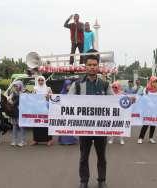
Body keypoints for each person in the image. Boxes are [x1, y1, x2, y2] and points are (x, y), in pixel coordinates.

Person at [68, 49, 113, 188]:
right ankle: (84, 181)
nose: (92, 67)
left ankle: (102, 180)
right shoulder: (77, 84)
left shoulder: (105, 85)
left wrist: (127, 101)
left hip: (101, 128)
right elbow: (66, 101)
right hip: (84, 127)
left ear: (98, 66)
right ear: (85, 66)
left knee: (102, 157)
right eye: (90, 65)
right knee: (83, 157)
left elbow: (115, 102)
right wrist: (53, 100)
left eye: (95, 65)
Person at [31, 76, 54, 146]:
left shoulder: (48, 88)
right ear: (37, 81)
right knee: (36, 123)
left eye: (42, 80)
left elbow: (52, 97)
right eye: (39, 80)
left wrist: (48, 96)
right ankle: (35, 140)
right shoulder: (35, 88)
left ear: (44, 81)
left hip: (46, 108)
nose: (40, 81)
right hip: (37, 108)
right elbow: (32, 98)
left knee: (46, 124)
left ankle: (49, 140)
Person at [137, 76, 157, 144]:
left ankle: (151, 138)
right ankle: (140, 138)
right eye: (154, 81)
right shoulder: (146, 89)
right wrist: (150, 104)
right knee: (146, 123)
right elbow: (144, 98)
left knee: (153, 124)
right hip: (147, 109)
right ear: (151, 82)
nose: (155, 83)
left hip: (155, 109)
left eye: (156, 81)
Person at [58, 80, 78, 145]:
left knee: (70, 125)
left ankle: (71, 140)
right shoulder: (62, 93)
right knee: (64, 126)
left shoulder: (73, 93)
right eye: (67, 85)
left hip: (71, 111)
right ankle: (64, 140)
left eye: (70, 85)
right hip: (64, 112)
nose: (69, 87)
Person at [9, 80, 26, 147]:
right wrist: (10, 100)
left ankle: (23, 141)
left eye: (16, 85)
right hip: (14, 111)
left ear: (20, 85)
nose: (15, 87)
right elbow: (9, 99)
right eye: (14, 86)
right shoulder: (13, 92)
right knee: (14, 126)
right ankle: (14, 141)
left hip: (21, 111)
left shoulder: (24, 92)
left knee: (21, 126)